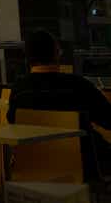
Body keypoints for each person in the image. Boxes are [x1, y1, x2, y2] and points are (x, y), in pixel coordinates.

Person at [7, 30, 111, 173]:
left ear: (27, 58)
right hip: (84, 163)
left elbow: (12, 123)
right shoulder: (78, 85)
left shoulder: (19, 90)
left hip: (34, 165)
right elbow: (107, 119)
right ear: (56, 53)